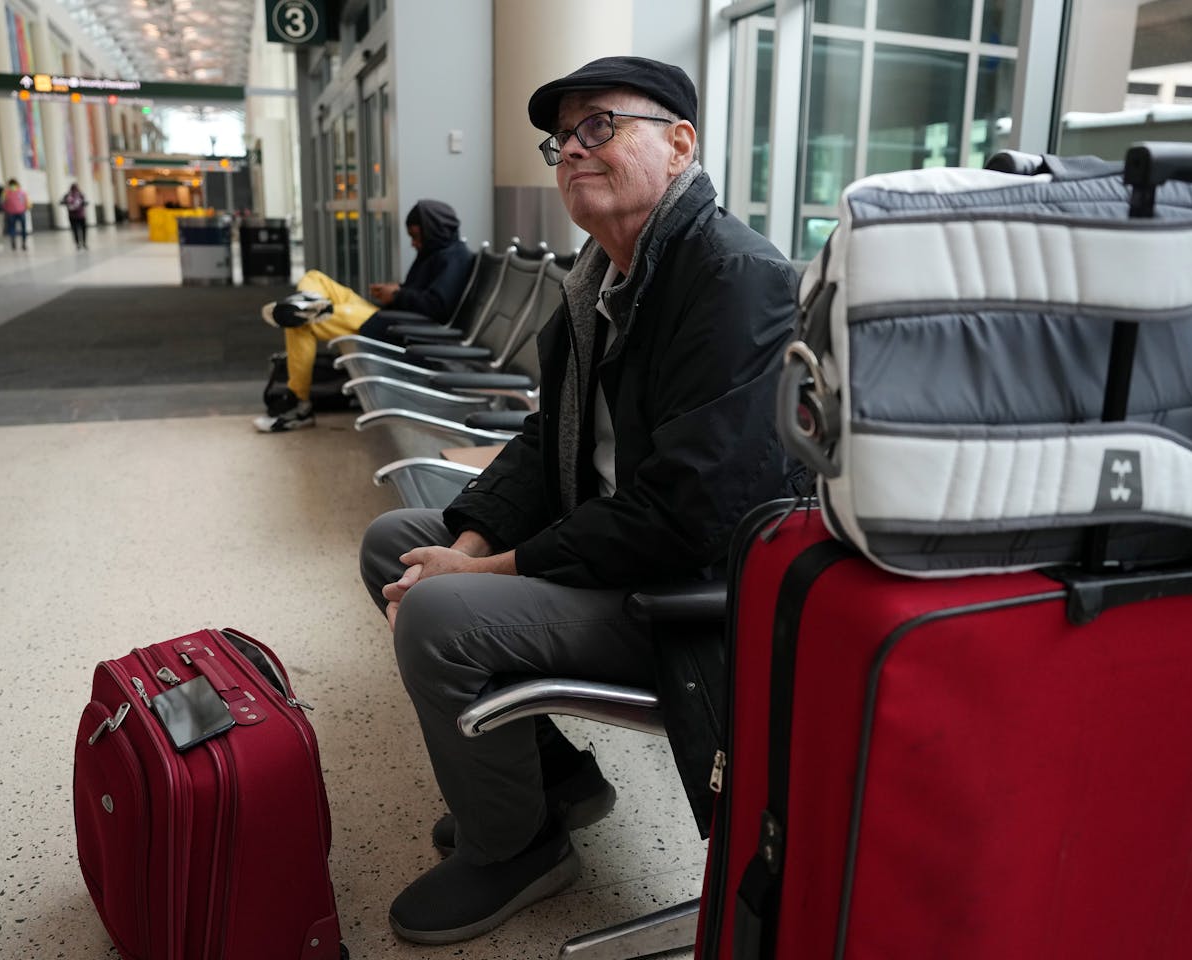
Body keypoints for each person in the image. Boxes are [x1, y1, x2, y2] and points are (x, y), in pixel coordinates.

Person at [358, 56, 798, 944]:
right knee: (395, 541)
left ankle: (514, 847)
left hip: (685, 596)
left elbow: (685, 512)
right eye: (562, 138)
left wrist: (490, 571)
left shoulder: (736, 280)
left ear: (680, 144)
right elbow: (540, 437)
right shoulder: (600, 275)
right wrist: (473, 540)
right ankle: (553, 784)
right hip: (604, 547)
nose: (572, 151)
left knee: (440, 613)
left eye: (600, 126)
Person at [254, 199, 474, 433]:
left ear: (434, 230)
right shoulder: (436, 251)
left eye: (417, 236)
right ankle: (307, 300)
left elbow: (438, 307)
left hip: (398, 329)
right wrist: (396, 290)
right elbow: (423, 293)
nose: (413, 243)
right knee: (315, 277)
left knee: (301, 323)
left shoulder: (455, 257)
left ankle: (299, 404)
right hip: (388, 318)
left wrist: (398, 294)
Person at [1, 179, 29, 250]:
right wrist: (25, 208)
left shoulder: (6, 192)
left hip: (10, 213)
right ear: (17, 184)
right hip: (21, 212)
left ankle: (13, 242)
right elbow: (27, 202)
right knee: (23, 228)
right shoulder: (22, 192)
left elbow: (3, 202)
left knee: (12, 228)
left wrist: (6, 209)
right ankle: (24, 243)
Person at [62, 183, 88, 249]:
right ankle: (80, 243)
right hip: (76, 216)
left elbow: (84, 202)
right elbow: (62, 202)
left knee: (79, 230)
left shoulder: (80, 195)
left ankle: (82, 243)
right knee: (77, 230)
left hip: (79, 216)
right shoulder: (68, 195)